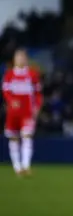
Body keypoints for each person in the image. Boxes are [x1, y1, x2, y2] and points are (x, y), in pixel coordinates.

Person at [2, 48, 42, 176]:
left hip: (27, 111)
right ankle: (17, 167)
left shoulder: (32, 74)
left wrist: (37, 106)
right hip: (13, 113)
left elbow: (38, 93)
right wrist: (11, 100)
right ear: (14, 59)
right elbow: (5, 91)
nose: (20, 59)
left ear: (26, 59)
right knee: (13, 138)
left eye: (23, 57)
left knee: (27, 136)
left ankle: (26, 165)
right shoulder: (9, 75)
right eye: (18, 57)